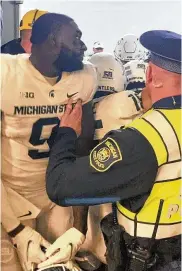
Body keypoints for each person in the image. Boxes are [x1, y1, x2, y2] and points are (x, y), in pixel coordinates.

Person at [45, 30, 181, 271]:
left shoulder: (144, 137)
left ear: (152, 75)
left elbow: (60, 186)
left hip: (148, 258)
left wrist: (66, 132)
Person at [1, 12, 97, 271]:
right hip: (9, 195)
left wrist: (78, 228)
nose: (83, 46)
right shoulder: (6, 74)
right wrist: (16, 228)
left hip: (56, 192)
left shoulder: (84, 77)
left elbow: (82, 153)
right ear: (53, 40)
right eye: (76, 38)